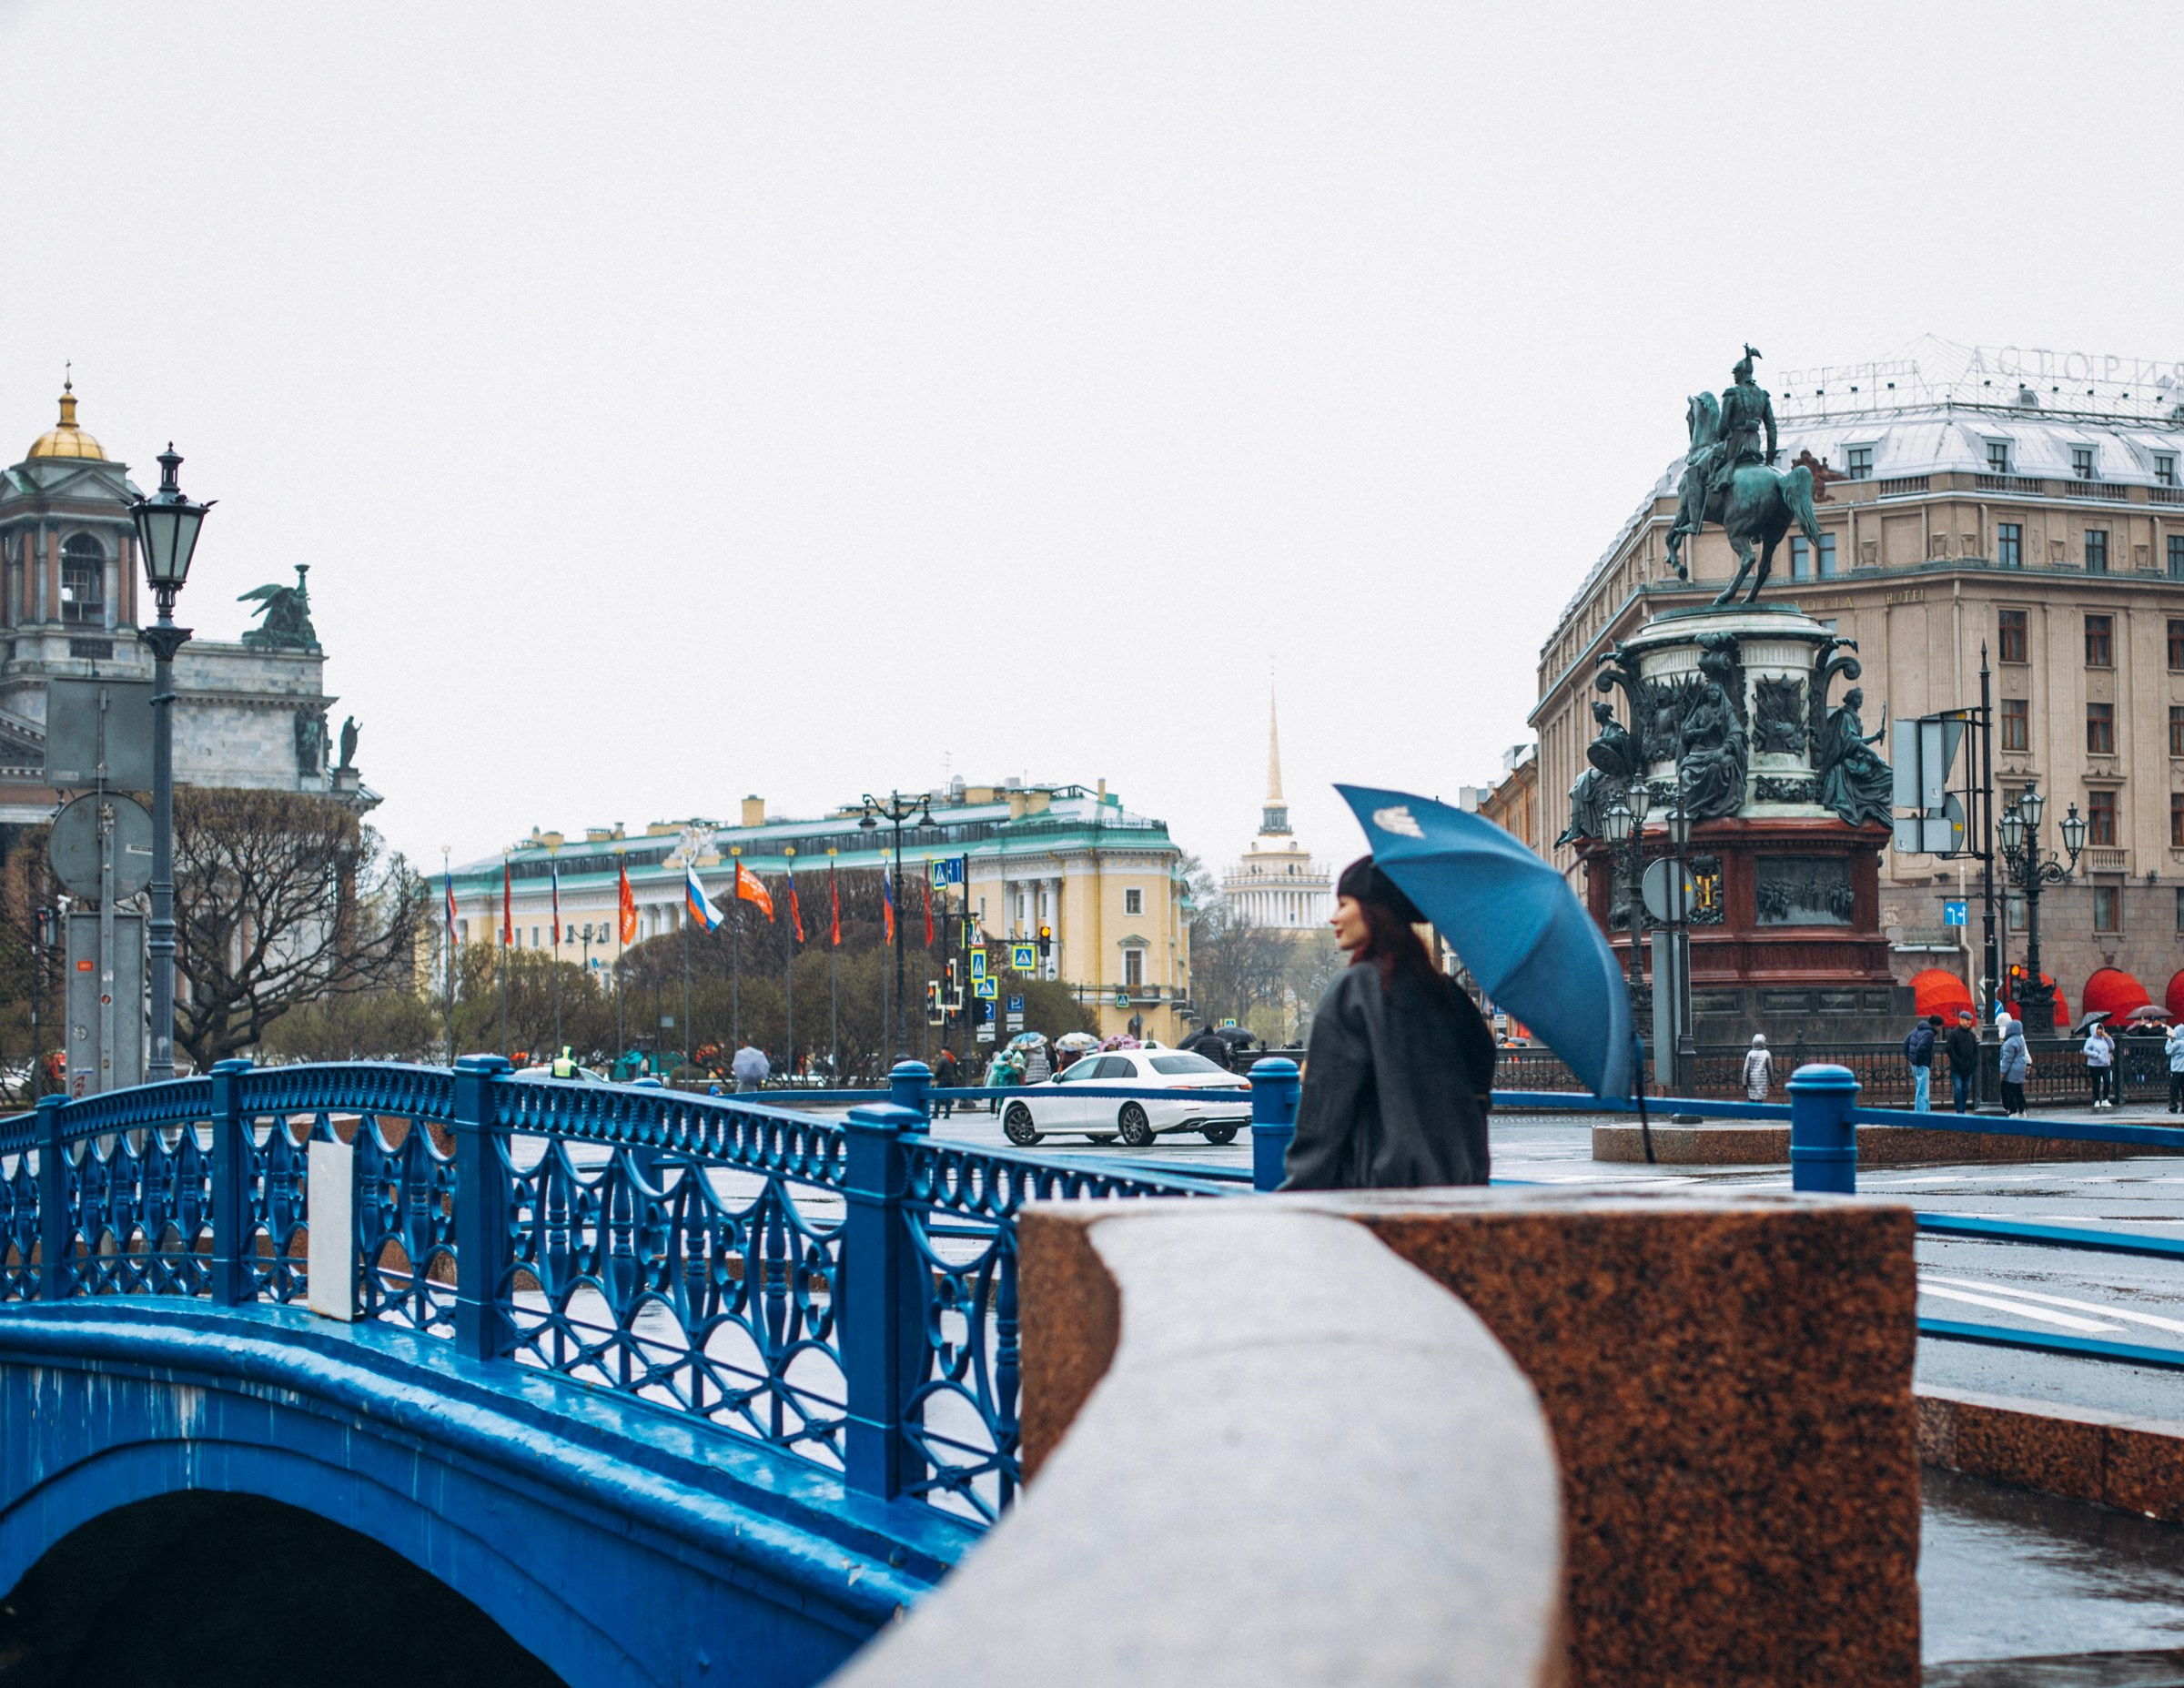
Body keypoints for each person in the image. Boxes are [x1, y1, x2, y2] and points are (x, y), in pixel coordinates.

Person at [1281, 856, 1495, 1190]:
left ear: (1373, 910)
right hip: (1459, 1191)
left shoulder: (1355, 990)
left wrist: (1297, 1193)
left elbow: (1323, 1117)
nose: (1333, 917)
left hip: (1378, 1195)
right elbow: (1480, 1082)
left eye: (1343, 904)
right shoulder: (1447, 994)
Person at [1945, 1011, 1981, 1115]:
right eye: (1966, 1020)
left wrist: (1973, 1063)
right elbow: (1949, 1049)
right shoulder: (1954, 1033)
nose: (1969, 1022)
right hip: (1957, 1068)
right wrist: (1958, 1062)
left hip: (1968, 1068)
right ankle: (1959, 1111)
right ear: (1960, 1020)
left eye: (1970, 1020)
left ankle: (1963, 1108)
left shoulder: (1972, 1035)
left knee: (1965, 1089)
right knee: (1958, 1089)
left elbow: (1975, 1050)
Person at [1904, 1015, 1938, 1113]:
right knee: (1922, 1092)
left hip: (1915, 1063)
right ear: (1935, 1025)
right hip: (1922, 1063)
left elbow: (1906, 1043)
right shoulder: (1929, 1033)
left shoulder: (1917, 1029)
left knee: (1921, 1090)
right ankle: (1920, 1115)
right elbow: (1921, 1047)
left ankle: (1926, 1114)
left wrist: (1911, 1058)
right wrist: (1918, 1061)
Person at [1997, 1013, 2028, 1116]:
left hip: (2011, 1072)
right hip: (2020, 1071)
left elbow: (2007, 1059)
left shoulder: (2009, 1042)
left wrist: (2002, 1072)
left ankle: (2013, 1111)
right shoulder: (2020, 1039)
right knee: (2018, 1091)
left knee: (2009, 1091)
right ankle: (2022, 1110)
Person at [2085, 1021, 2117, 1111]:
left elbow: (2112, 1047)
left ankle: (2105, 1099)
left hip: (2105, 1063)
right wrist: (2095, 1055)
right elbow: (2086, 1050)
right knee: (2096, 1082)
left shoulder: (2104, 1039)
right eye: (2098, 1029)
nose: (2100, 1031)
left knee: (2107, 1081)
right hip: (2095, 1064)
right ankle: (2096, 1099)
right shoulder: (2090, 1040)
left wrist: (2108, 1038)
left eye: (2101, 1029)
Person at [1742, 1033, 1772, 1102]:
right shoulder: (1767, 1053)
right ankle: (1759, 1110)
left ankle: (1751, 1110)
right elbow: (1770, 1069)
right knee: (1760, 1099)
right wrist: (1772, 1081)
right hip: (1762, 1080)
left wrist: (1744, 1082)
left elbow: (1746, 1069)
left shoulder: (1750, 1053)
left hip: (1752, 1080)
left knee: (1752, 1097)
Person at [933, 1046, 959, 1118]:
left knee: (937, 1096)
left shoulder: (942, 1059)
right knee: (949, 1097)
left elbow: (939, 1070)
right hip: (951, 1081)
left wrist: (936, 1077)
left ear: (944, 1051)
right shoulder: (953, 1059)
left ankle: (936, 1113)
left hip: (942, 1080)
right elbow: (956, 1071)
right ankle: (947, 1114)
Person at [2167, 1019, 2184, 1115]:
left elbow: (2168, 1051)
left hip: (2177, 1070)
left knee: (2174, 1091)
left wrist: (2169, 1040)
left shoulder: (2177, 1043)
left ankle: (2173, 1107)